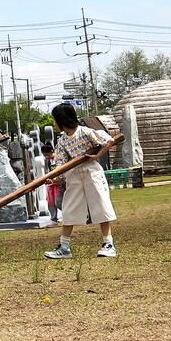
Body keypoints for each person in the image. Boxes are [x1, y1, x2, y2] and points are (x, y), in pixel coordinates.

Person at [44, 103, 117, 259]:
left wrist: (98, 155)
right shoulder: (62, 141)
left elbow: (109, 140)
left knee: (100, 206)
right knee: (69, 208)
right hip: (74, 175)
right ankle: (64, 248)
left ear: (62, 120)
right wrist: (54, 177)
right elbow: (61, 164)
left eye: (55, 120)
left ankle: (108, 244)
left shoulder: (85, 132)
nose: (55, 124)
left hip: (92, 172)